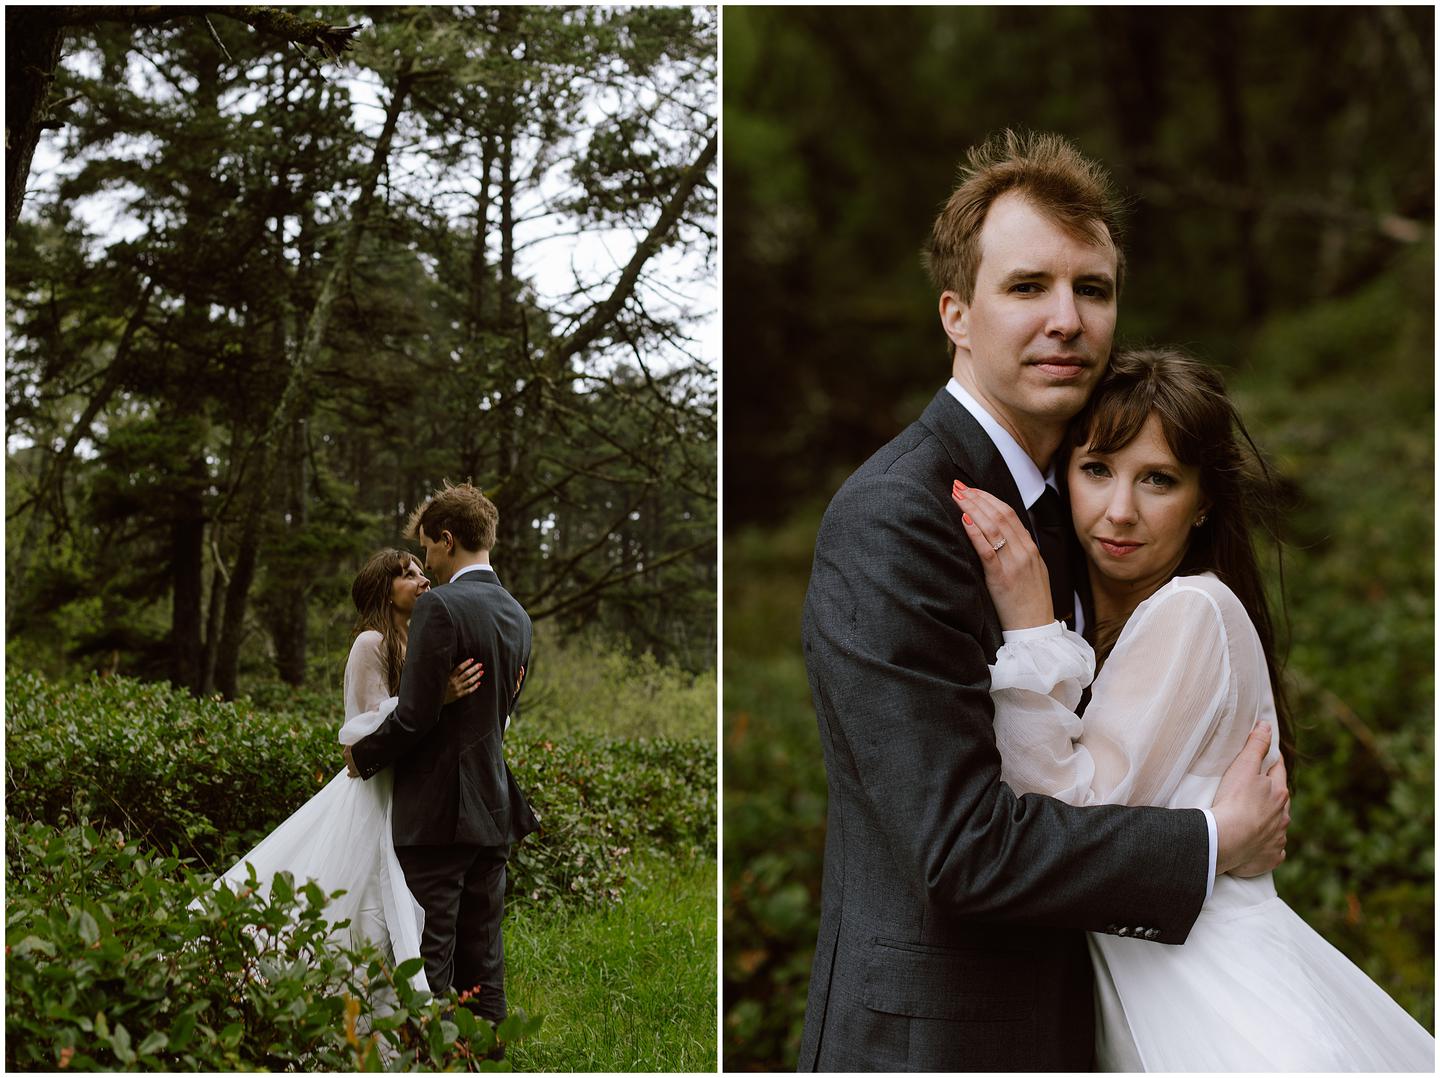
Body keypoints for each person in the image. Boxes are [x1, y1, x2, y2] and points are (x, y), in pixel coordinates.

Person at [798, 130, 1290, 1071]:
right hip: (939, 1045)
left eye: (1091, 289)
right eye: (1028, 287)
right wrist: (1207, 841)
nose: (1067, 319)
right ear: (957, 314)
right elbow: (960, 851)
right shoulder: (897, 517)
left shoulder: (1078, 508)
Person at [952, 346, 1435, 1070]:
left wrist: (1027, 627)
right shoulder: (1108, 623)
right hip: (1158, 999)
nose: (1121, 510)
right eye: (1097, 470)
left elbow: (1061, 815)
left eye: (1159, 480)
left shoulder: (1193, 610)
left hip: (1219, 1009)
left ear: (1203, 500)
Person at [211, 549, 485, 998]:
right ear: (385, 591)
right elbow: (366, 725)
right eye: (408, 575)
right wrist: (436, 696)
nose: (422, 580)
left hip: (414, 784)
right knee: (364, 894)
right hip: (377, 787)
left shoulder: (421, 641)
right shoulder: (371, 643)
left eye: (422, 571)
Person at [344, 481, 537, 1029]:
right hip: (492, 810)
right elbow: (498, 714)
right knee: (486, 964)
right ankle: (486, 1057)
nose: (427, 562)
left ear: (448, 539)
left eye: (428, 547)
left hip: (436, 816)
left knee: (428, 963)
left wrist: (362, 755)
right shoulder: (518, 616)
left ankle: (430, 1062)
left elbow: (413, 716)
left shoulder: (441, 606)